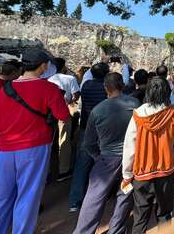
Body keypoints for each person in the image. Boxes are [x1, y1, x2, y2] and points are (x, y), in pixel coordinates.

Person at [0, 49, 70, 234]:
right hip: (34, 148)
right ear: (44, 66)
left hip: (5, 149)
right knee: (28, 197)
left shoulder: (6, 88)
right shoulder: (49, 89)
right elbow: (62, 115)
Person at [108, 77, 174, 234]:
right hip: (166, 171)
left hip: (142, 173)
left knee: (141, 216)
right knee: (164, 214)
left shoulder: (138, 115)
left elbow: (130, 147)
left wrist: (127, 175)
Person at [73, 73, 140, 234]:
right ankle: (116, 229)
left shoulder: (98, 110)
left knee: (94, 197)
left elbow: (88, 143)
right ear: (122, 86)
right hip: (130, 158)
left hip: (106, 158)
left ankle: (84, 230)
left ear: (105, 88)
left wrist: (98, 157)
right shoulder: (134, 104)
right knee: (125, 194)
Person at [69, 62, 109, 212]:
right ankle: (98, 199)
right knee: (103, 164)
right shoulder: (106, 88)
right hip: (103, 130)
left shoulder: (86, 86)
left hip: (86, 128)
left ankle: (74, 200)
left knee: (82, 164)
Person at [48, 57, 81, 181]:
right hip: (63, 110)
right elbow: (76, 94)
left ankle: (46, 172)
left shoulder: (47, 78)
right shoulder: (70, 78)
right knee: (64, 141)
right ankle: (63, 171)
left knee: (48, 142)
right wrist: (71, 101)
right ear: (63, 67)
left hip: (48, 113)